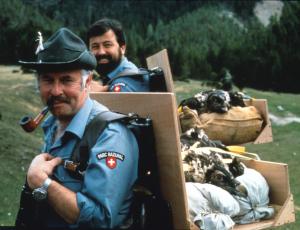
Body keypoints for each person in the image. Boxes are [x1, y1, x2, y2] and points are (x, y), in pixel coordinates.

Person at [17, 27, 138, 229]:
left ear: (87, 82)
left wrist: (42, 183)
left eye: (66, 80)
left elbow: (101, 220)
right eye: (47, 80)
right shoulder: (53, 123)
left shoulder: (110, 135)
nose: (56, 91)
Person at [87, 18, 150, 92]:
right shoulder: (114, 76)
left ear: (122, 48)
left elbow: (119, 98)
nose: (101, 52)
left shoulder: (126, 82)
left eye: (107, 45)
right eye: (95, 46)